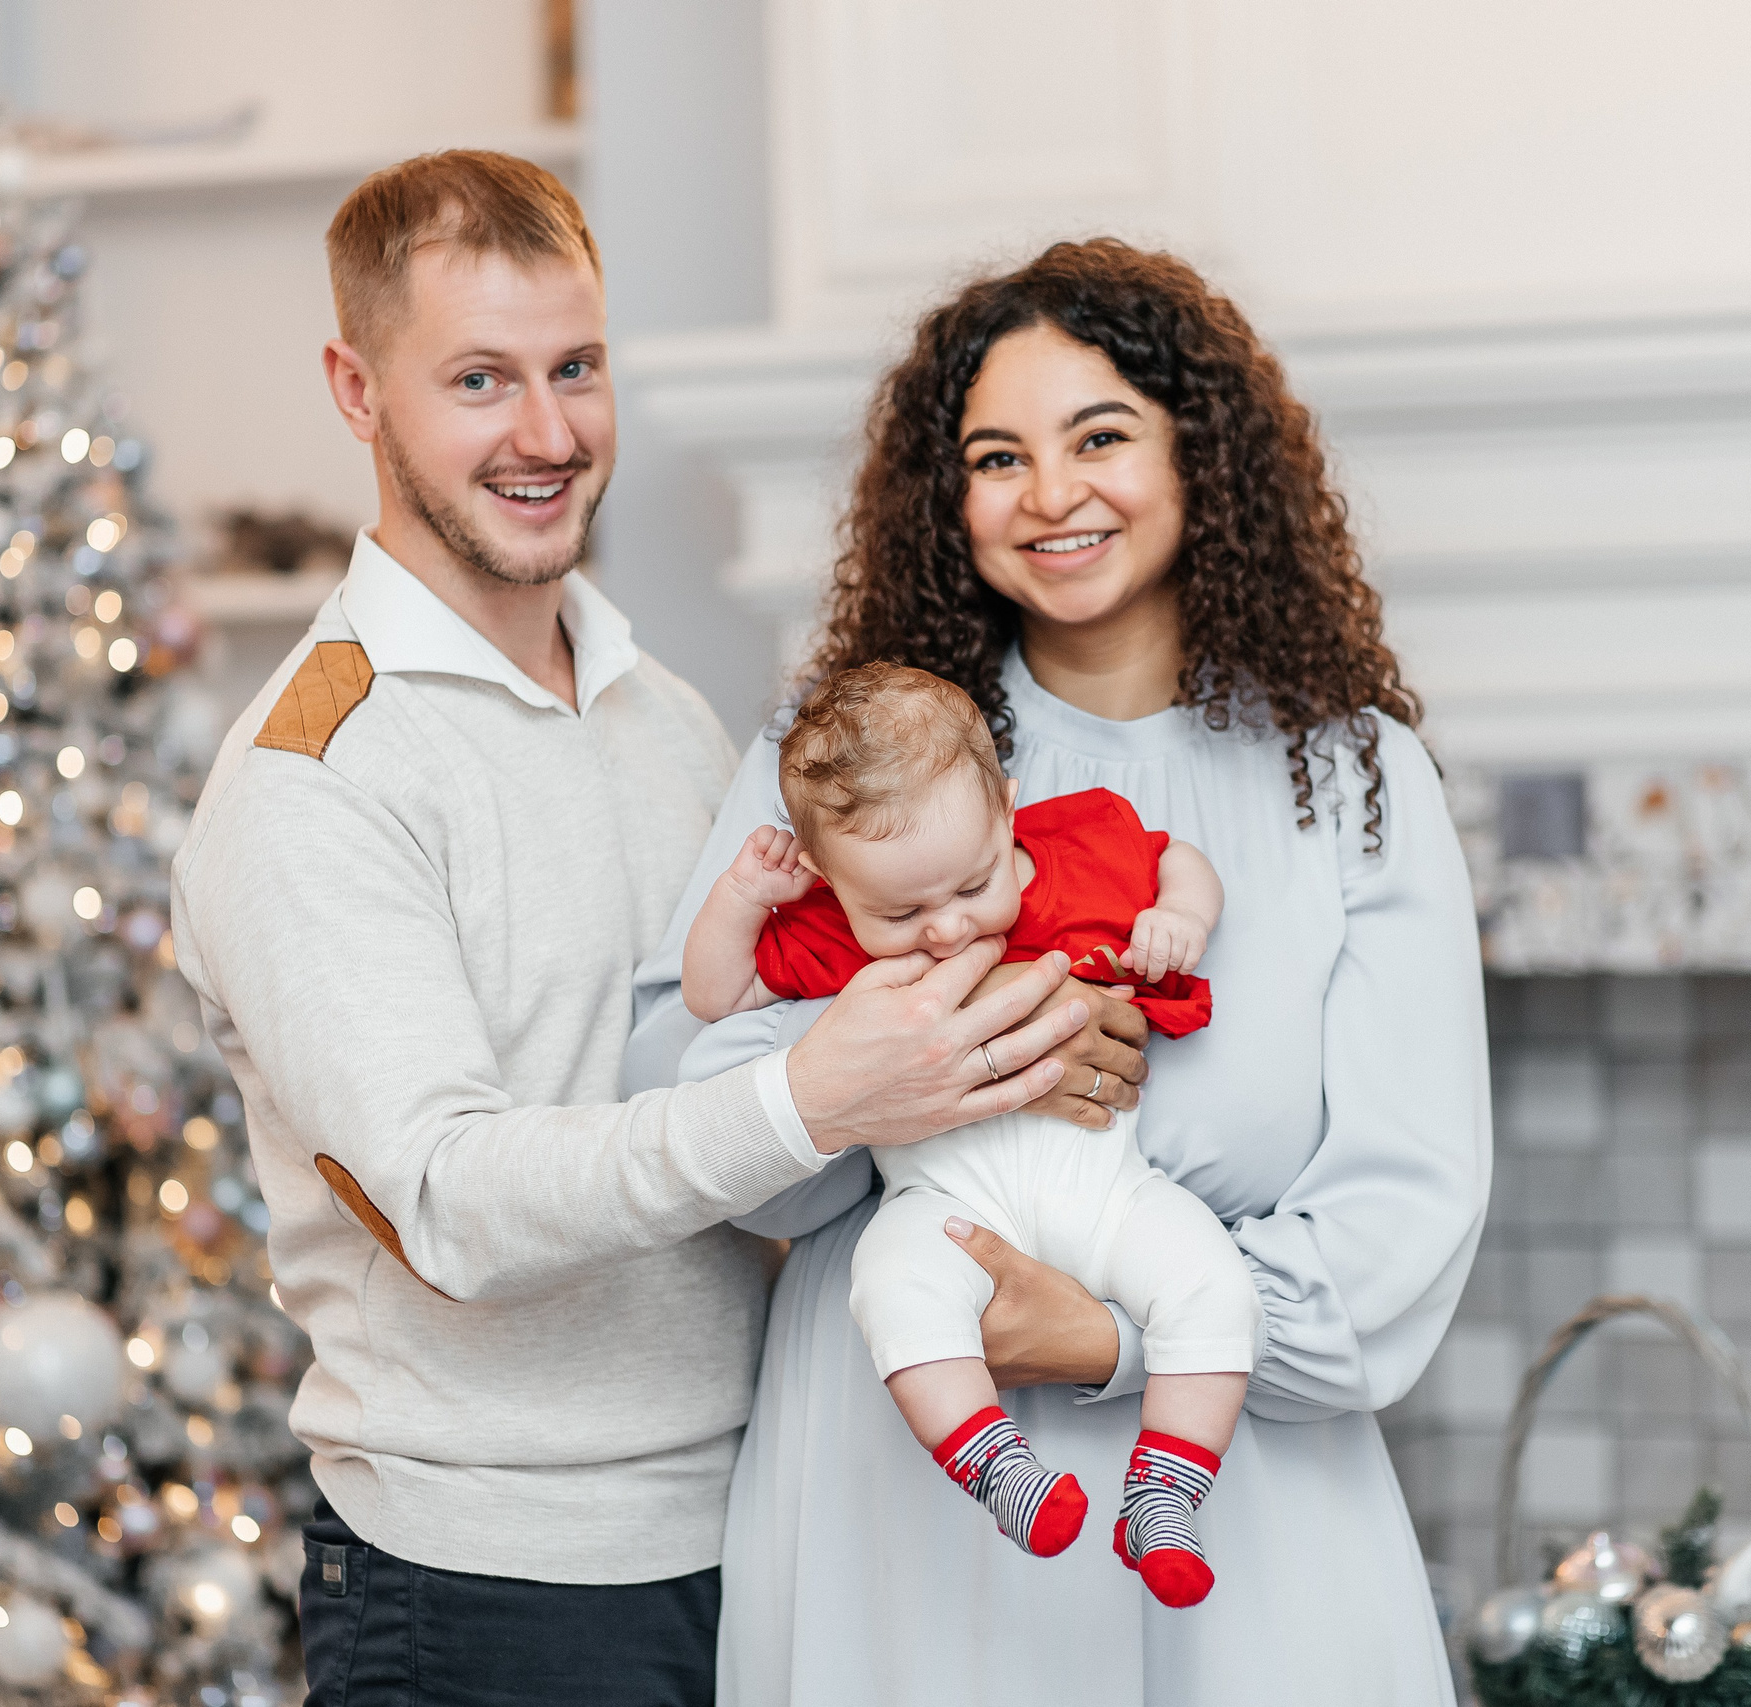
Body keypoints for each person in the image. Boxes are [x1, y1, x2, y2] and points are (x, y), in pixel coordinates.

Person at [166, 152, 1145, 1707]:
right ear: (357, 390)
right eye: (480, 379)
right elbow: (451, 1202)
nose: (548, 434)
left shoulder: (669, 715)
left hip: (753, 1526)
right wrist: (815, 1094)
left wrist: (1026, 1037)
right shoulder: (315, 779)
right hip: (490, 1588)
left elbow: (805, 1042)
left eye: (578, 368)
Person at [628, 239, 1491, 1704]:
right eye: (996, 455)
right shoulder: (848, 762)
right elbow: (687, 1122)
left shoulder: (1348, 779)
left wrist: (1103, 1335)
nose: (1050, 493)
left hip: (1246, 1502)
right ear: (945, 499)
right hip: (904, 1496)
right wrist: (919, 1067)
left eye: (1101, 435)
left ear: (1200, 458)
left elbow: (1402, 1220)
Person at [681, 663, 1254, 1604]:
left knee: (1215, 1286)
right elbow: (716, 992)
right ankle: (993, 1463)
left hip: (1110, 1192)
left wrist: (1179, 916)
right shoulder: (834, 927)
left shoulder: (1082, 849)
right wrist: (744, 896)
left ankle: (1165, 1493)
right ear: (831, 878)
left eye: (975, 884)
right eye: (901, 913)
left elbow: (1177, 854)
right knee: (893, 1284)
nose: (946, 928)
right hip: (944, 1204)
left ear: (1009, 808)